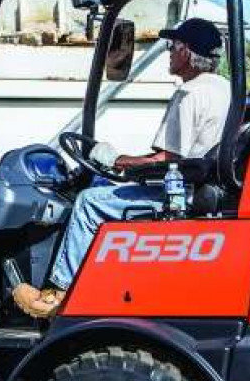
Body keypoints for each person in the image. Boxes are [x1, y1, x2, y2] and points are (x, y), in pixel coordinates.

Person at [12, 17, 231, 318]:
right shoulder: (226, 89)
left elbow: (167, 160)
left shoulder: (190, 93)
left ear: (186, 51)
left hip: (179, 193)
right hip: (202, 188)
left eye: (173, 46)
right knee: (104, 189)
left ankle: (59, 293)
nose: (169, 52)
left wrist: (116, 161)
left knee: (88, 202)